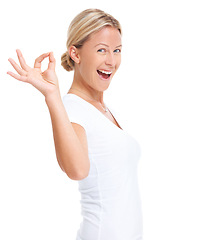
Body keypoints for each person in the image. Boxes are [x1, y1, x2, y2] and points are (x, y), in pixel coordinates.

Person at [7, 8, 143, 240]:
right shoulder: (72, 109)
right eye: (102, 50)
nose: (111, 61)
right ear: (75, 54)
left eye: (117, 50)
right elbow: (78, 170)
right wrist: (52, 96)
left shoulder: (102, 110)